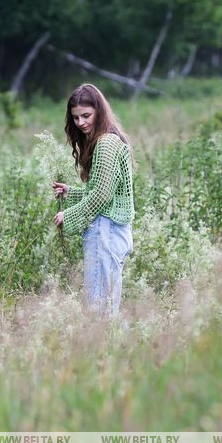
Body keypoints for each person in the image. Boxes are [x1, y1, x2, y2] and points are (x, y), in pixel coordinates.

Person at [52, 84, 135, 315]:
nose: (81, 122)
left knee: (99, 307)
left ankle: (103, 349)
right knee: (107, 304)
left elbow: (101, 196)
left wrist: (68, 215)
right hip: (112, 228)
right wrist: (72, 192)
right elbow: (105, 189)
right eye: (76, 117)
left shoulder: (106, 143)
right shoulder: (110, 139)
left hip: (105, 230)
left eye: (86, 115)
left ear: (99, 110)